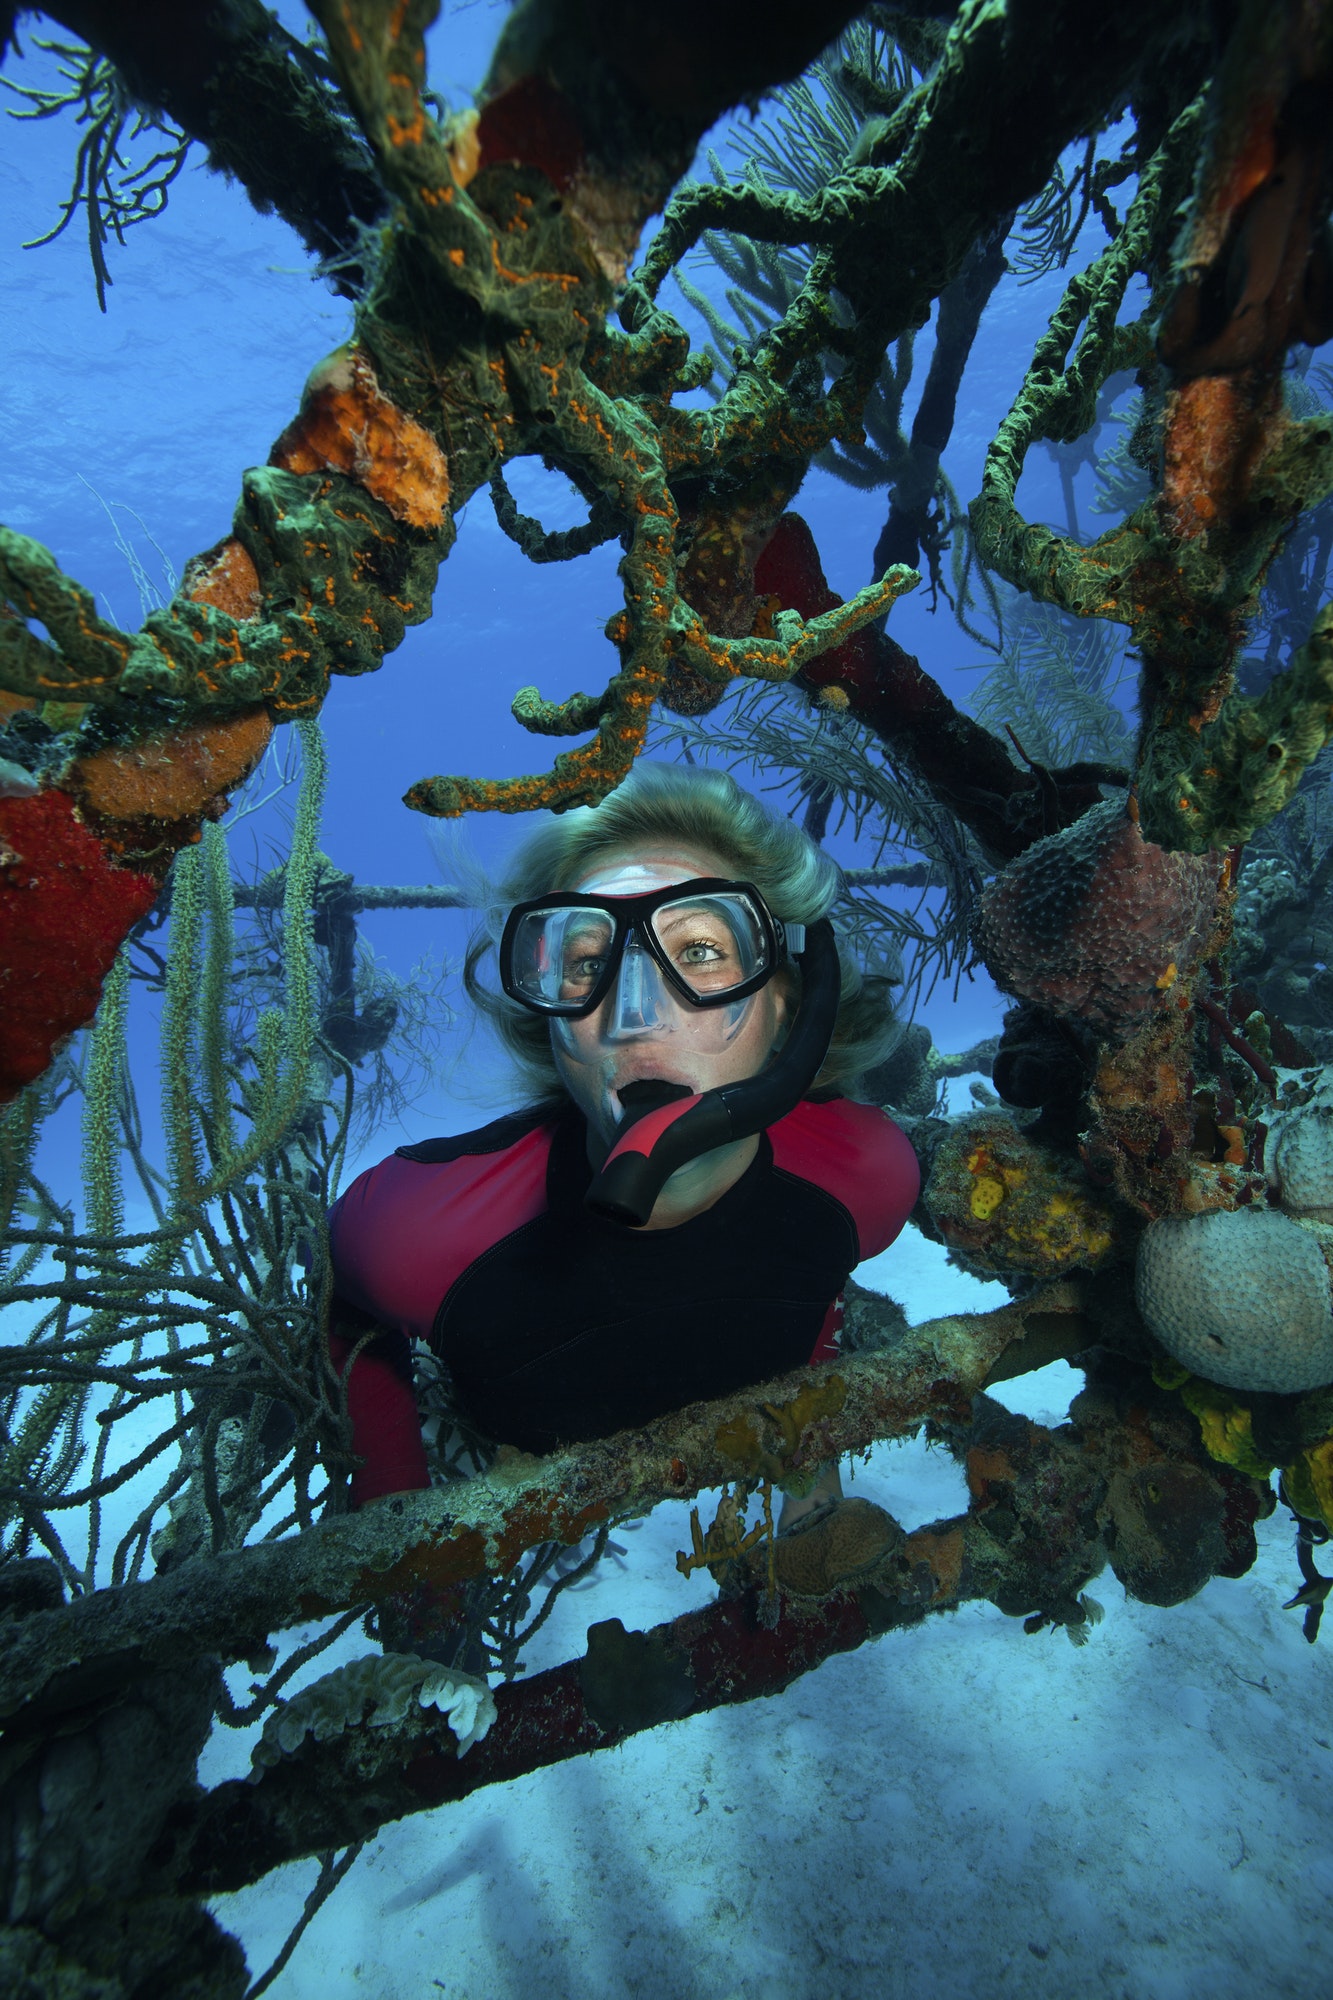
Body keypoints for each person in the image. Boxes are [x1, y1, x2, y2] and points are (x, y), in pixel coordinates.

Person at [327, 763, 921, 1595]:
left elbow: (819, 1286)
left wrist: (805, 1456)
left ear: (793, 1000)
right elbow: (344, 1304)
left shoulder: (870, 1175)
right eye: (582, 963)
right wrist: (394, 1500)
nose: (635, 1011)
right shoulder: (417, 1234)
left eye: (702, 951)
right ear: (547, 1015)